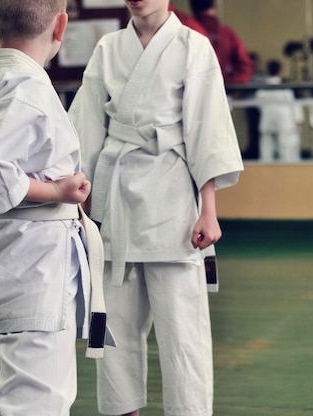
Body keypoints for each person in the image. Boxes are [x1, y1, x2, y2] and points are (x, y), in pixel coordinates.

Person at [68, 0, 244, 414]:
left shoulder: (193, 46)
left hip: (173, 205)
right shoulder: (107, 48)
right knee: (115, 329)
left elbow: (208, 129)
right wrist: (81, 205)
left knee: (184, 334)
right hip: (116, 205)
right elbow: (87, 127)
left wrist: (209, 208)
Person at [0, 0, 110, 414]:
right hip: (30, 267)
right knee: (36, 401)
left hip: (2, 259)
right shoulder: (26, 88)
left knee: (9, 397)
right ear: (61, 27)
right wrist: (57, 193)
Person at [188, 0, 252, 85]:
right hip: (223, 89)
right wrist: (225, 82)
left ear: (192, 7)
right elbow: (244, 68)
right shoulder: (227, 33)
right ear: (214, 6)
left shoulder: (186, 31)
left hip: (191, 89)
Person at [255, 59, 303, 162]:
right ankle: (287, 171)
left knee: (266, 148)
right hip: (284, 120)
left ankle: (265, 170)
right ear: (280, 71)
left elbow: (258, 104)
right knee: (285, 147)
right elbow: (293, 104)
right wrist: (298, 120)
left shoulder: (261, 88)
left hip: (268, 118)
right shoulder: (285, 88)